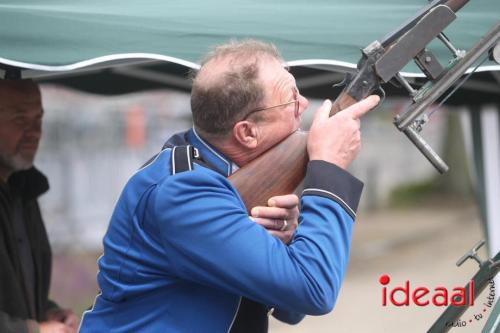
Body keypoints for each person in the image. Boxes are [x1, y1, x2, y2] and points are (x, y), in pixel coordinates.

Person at [79, 40, 379, 332]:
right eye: (291, 98)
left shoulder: (214, 178)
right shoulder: (184, 193)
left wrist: (287, 243)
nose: (303, 104)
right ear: (247, 133)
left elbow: (292, 307)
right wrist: (328, 168)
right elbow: (314, 290)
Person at [0, 79, 79, 333]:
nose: (35, 131)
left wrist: (46, 311)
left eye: (39, 119)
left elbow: (14, 294)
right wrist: (32, 330)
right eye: (20, 119)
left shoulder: (23, 189)